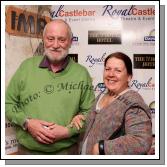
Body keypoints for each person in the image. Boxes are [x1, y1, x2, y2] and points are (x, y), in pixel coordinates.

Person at [5, 19, 95, 155]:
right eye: (50, 39)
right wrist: (27, 123)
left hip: (66, 154)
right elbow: (8, 104)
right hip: (27, 154)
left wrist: (67, 132)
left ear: (70, 42)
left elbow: (90, 113)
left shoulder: (81, 73)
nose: (55, 45)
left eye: (62, 40)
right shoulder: (26, 67)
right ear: (44, 40)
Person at [71, 52, 152, 155]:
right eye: (107, 69)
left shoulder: (133, 101)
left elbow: (141, 141)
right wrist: (81, 118)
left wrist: (102, 147)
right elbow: (98, 124)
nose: (111, 74)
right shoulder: (102, 95)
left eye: (118, 70)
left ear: (129, 77)